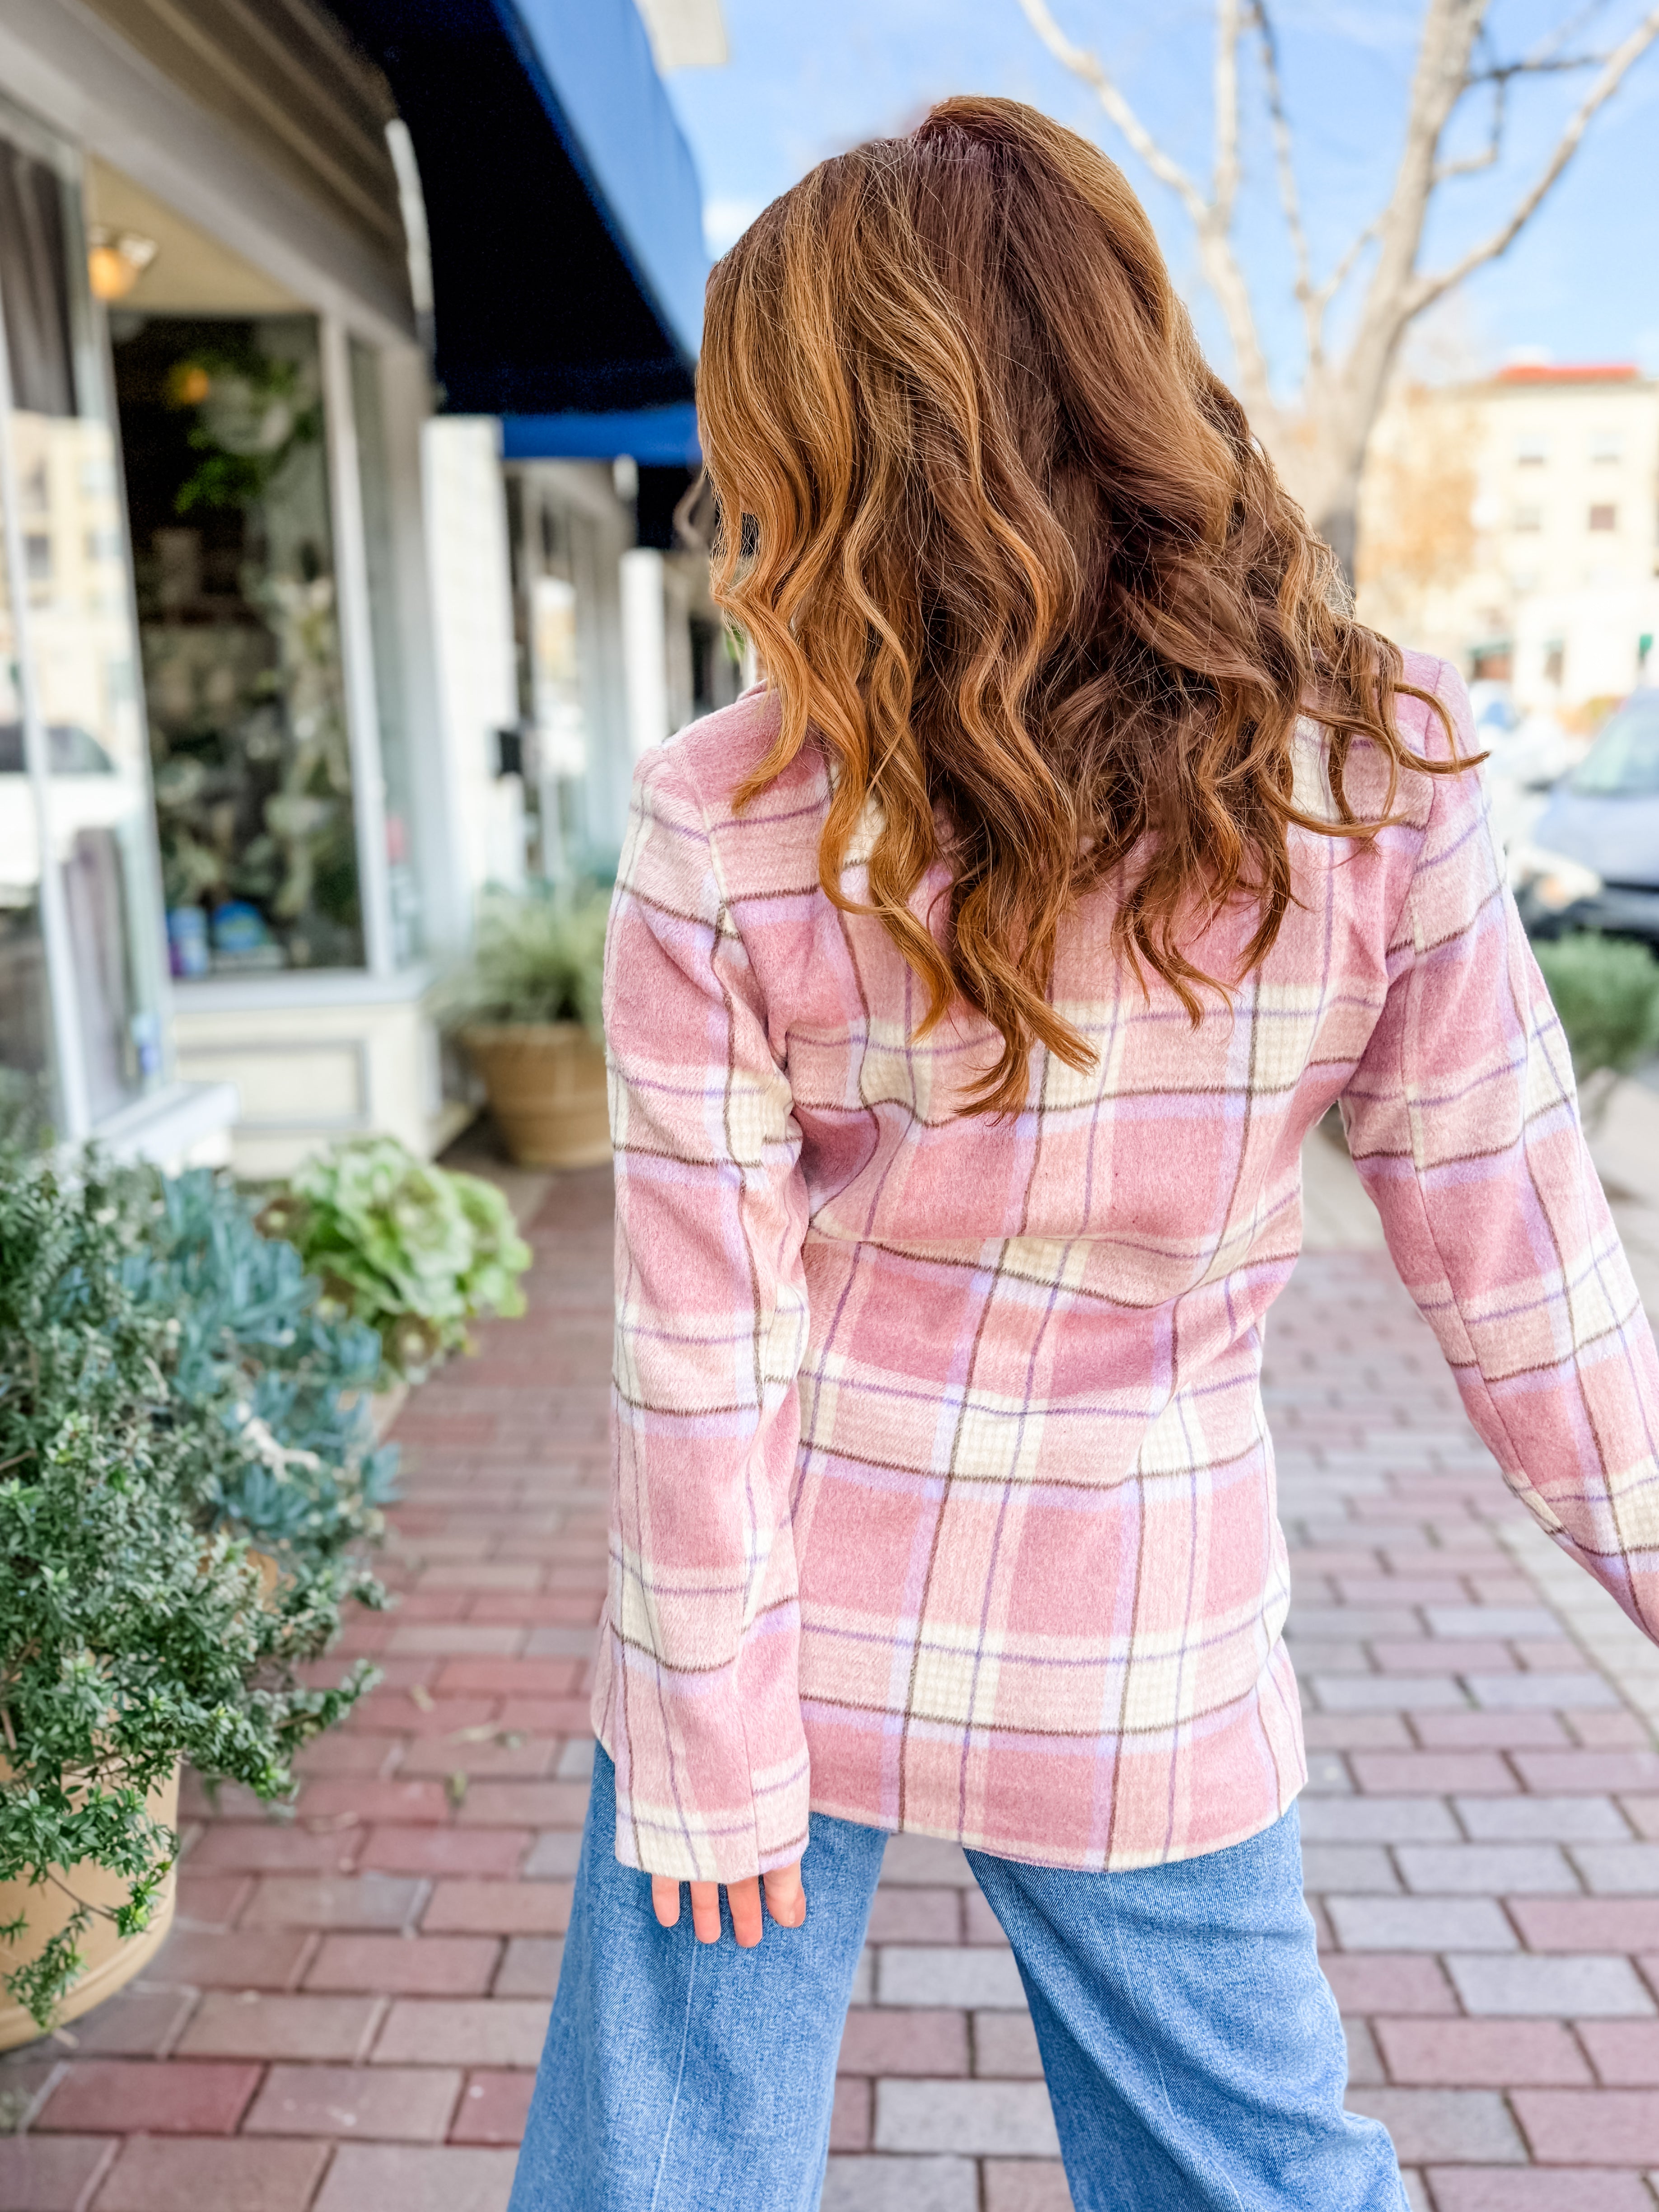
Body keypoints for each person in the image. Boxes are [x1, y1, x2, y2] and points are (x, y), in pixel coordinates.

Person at [508, 95, 1659, 2212]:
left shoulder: (728, 807)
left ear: (839, 457)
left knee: (659, 2178)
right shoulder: (1375, 775)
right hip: (1133, 1614)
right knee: (1259, 2174)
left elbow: (701, 1351)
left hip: (772, 1595)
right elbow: (1524, 1264)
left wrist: (707, 1743)